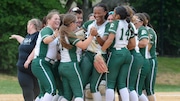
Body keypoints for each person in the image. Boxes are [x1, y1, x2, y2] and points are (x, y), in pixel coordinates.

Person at [58, 13, 97, 101]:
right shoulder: (70, 35)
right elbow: (83, 46)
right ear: (71, 23)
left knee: (67, 95)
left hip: (62, 66)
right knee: (79, 93)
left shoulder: (62, 34)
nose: (77, 24)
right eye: (75, 22)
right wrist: (91, 36)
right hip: (71, 66)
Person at [100, 6, 132, 101]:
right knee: (122, 83)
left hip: (117, 53)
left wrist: (101, 50)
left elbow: (110, 40)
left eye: (114, 13)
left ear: (117, 15)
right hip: (126, 52)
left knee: (110, 83)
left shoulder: (115, 23)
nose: (112, 15)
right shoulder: (128, 23)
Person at [80, 3, 110, 101]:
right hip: (88, 54)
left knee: (94, 85)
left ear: (105, 13)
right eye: (94, 13)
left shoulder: (108, 25)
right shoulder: (89, 24)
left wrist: (96, 35)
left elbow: (103, 43)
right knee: (81, 83)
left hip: (100, 56)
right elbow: (77, 34)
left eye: (99, 13)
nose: (96, 15)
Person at [9, 18, 42, 101]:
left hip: (33, 68)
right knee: (27, 91)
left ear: (32, 25)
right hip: (22, 69)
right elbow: (24, 42)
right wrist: (17, 37)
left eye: (28, 24)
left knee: (37, 92)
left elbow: (37, 48)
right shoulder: (28, 37)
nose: (27, 26)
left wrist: (28, 60)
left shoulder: (38, 35)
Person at [31, 10, 60, 101]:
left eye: (59, 19)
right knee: (51, 90)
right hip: (41, 62)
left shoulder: (53, 31)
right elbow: (45, 40)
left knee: (43, 93)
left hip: (46, 63)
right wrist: (54, 36)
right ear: (48, 20)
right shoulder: (47, 29)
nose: (58, 21)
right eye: (55, 19)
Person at [124, 5, 144, 101]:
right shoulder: (130, 24)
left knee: (129, 87)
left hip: (134, 55)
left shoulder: (129, 25)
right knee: (130, 87)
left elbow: (132, 44)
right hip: (136, 55)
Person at [132, 13, 150, 101]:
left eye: (136, 21)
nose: (134, 23)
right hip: (140, 61)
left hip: (142, 61)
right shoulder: (136, 29)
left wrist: (132, 45)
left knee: (137, 90)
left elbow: (143, 43)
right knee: (136, 89)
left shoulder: (142, 29)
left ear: (141, 22)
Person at [143, 12, 158, 101]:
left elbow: (148, 47)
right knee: (142, 88)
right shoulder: (140, 30)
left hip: (149, 60)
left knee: (149, 89)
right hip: (144, 60)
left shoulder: (149, 31)